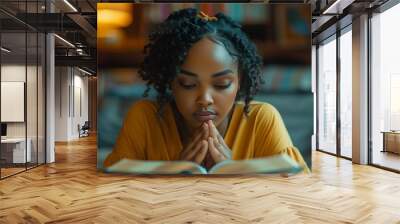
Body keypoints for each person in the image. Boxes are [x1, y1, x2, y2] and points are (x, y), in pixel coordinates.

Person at [103, 8, 310, 173]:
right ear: (171, 83)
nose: (205, 99)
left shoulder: (262, 119)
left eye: (221, 85)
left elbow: (298, 194)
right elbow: (112, 192)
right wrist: (174, 173)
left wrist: (234, 171)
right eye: (188, 84)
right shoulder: (145, 117)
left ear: (239, 83)